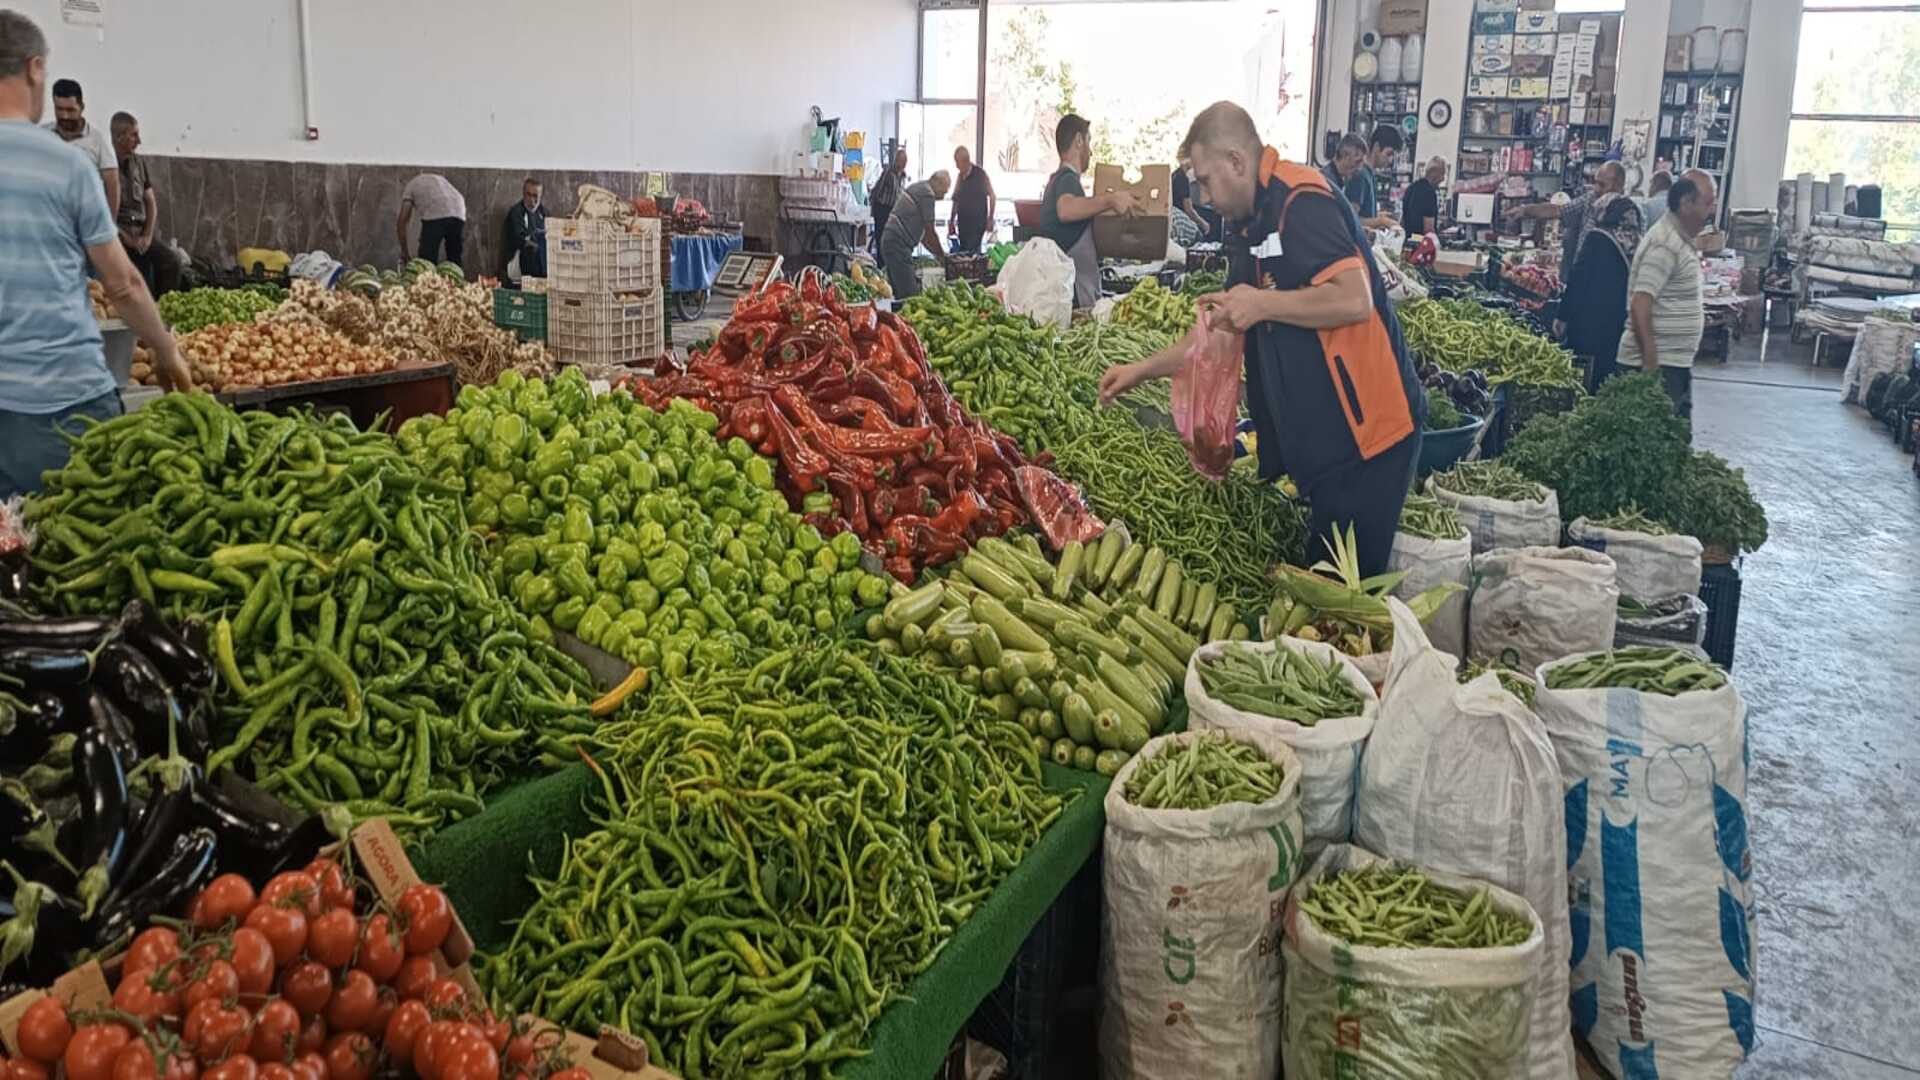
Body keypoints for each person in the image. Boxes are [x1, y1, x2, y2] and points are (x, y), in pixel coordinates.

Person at [1099, 102, 1424, 577]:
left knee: (1345, 597)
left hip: (1368, 437)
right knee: (1327, 583)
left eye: (1207, 181)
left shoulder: (1301, 199)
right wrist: (1140, 371)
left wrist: (1264, 304)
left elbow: (1355, 299)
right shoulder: (1248, 226)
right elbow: (1224, 327)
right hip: (1323, 438)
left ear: (1236, 161)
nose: (1204, 197)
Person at [1, 10, 190, 497]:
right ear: (34, 68)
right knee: (86, 534)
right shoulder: (66, 165)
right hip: (69, 402)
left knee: (12, 550)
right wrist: (165, 350)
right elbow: (122, 283)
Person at [1621, 170, 1716, 427]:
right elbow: (1640, 304)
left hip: (1673, 365)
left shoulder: (1679, 240)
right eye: (1708, 202)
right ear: (1686, 203)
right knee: (1655, 444)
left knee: (1673, 444)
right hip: (1658, 368)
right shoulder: (1665, 243)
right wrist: (1651, 369)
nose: (1712, 210)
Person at [1039, 114, 1139, 308]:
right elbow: (1065, 210)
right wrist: (1111, 200)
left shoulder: (1057, 181)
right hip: (1073, 297)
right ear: (1078, 141)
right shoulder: (1066, 179)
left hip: (1069, 294)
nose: (1091, 151)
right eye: (1089, 141)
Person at [1560, 193, 1643, 389]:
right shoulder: (1635, 241)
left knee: (1584, 378)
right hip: (1617, 322)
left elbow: (1578, 279)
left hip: (1588, 322)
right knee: (1606, 375)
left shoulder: (1597, 238)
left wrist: (1563, 315)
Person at [110, 111, 182, 295]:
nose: (139, 140)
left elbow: (150, 202)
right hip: (118, 235)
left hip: (140, 232)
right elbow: (103, 213)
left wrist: (147, 235)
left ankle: (163, 310)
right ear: (118, 137)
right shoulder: (105, 164)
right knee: (137, 278)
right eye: (133, 135)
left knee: (172, 262)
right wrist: (127, 239)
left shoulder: (139, 163)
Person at [45, 76, 116, 216]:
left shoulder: (97, 140)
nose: (64, 116)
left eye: (70, 110)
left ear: (82, 107)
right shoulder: (41, 135)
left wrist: (110, 224)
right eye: (59, 109)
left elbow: (112, 182)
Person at [880, 169, 951, 302]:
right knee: (910, 297)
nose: (943, 197)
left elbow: (924, 236)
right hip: (898, 244)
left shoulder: (919, 188)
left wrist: (936, 254)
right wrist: (942, 256)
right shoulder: (927, 194)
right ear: (938, 183)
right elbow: (930, 231)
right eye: (944, 191)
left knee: (898, 294)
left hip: (890, 241)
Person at [1323, 129, 1399, 231]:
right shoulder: (1327, 181)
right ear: (1345, 155)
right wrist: (1381, 221)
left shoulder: (1339, 179)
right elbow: (1348, 220)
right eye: (1357, 161)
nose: (1359, 168)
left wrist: (1379, 216)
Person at [396, 172, 466, 265]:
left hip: (436, 209)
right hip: (459, 210)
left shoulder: (410, 186)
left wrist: (404, 252)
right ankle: (455, 277)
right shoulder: (437, 179)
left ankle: (427, 277)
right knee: (455, 259)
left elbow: (402, 222)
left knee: (426, 261)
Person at [949, 146, 995, 254]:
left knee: (973, 252)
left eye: (957, 163)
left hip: (977, 223)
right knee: (964, 251)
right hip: (963, 224)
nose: (956, 166)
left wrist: (990, 219)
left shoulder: (980, 175)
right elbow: (956, 200)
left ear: (966, 161)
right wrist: (951, 221)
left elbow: (992, 196)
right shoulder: (960, 177)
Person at [501, 177, 546, 281]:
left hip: (541, 263)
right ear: (523, 194)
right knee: (531, 250)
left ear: (540, 196)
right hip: (518, 263)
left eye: (535, 196)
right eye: (528, 194)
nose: (531, 200)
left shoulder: (543, 212)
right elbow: (521, 239)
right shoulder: (516, 212)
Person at [869, 148, 907, 264]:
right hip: (882, 209)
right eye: (900, 161)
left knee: (890, 239)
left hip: (893, 211)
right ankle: (881, 264)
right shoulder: (888, 173)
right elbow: (877, 190)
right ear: (896, 161)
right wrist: (873, 208)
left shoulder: (902, 177)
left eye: (904, 161)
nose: (902, 164)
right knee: (881, 238)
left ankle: (888, 263)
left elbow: (900, 194)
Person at [1173, 157, 1221, 242]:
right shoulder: (1182, 179)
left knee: (1211, 212)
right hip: (1183, 212)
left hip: (1180, 208)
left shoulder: (1176, 174)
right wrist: (1203, 223)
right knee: (1214, 218)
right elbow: (1189, 210)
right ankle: (1210, 244)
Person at [1400, 156, 1445, 236]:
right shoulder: (1430, 193)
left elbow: (1403, 220)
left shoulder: (1411, 188)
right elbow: (1428, 230)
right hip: (1422, 243)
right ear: (1433, 172)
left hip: (1407, 240)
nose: (1443, 179)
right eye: (1442, 174)